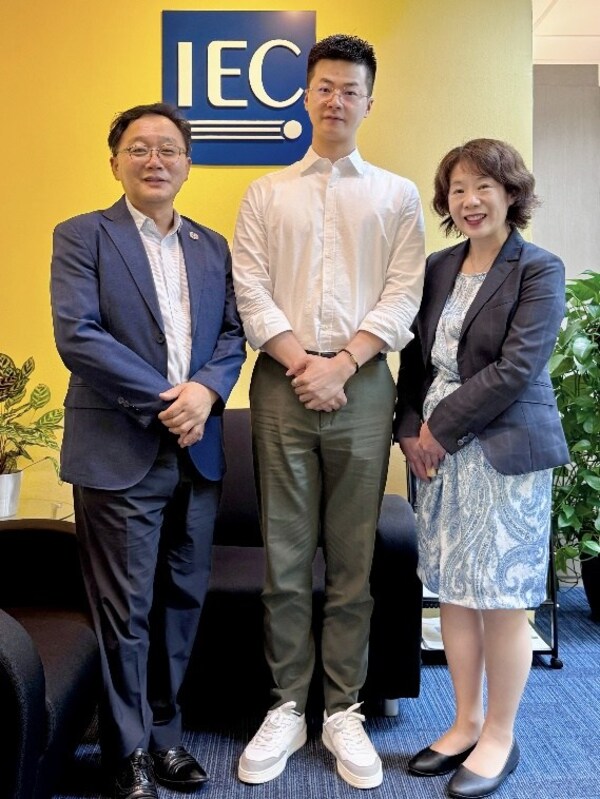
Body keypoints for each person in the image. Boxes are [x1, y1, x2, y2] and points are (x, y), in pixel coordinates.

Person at [232, 34, 425, 790]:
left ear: (369, 102)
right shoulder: (264, 192)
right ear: (305, 94)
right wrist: (302, 362)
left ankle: (342, 706)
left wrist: (343, 363)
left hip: (365, 381)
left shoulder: (396, 194)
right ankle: (287, 703)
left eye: (351, 89)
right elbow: (250, 285)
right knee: (284, 554)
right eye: (324, 86)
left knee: (353, 557)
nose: (336, 99)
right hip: (282, 379)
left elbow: (403, 292)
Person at [50, 103, 246, 799]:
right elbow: (80, 335)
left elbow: (231, 335)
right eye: (139, 148)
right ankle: (124, 751)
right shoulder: (82, 237)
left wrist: (207, 392)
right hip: (120, 445)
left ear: (188, 164)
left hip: (196, 451)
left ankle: (165, 737)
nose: (155, 159)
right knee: (125, 606)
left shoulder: (210, 246)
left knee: (182, 600)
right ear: (115, 162)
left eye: (168, 148)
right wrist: (175, 397)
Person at [394, 138, 569, 799]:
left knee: (502, 596)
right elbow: (412, 361)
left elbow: (516, 368)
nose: (470, 201)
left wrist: (439, 428)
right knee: (457, 593)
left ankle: (500, 730)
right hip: (436, 454)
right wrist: (411, 430)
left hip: (503, 449)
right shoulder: (438, 267)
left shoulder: (538, 270)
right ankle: (464, 719)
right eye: (458, 189)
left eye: (484, 187)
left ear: (511, 193)